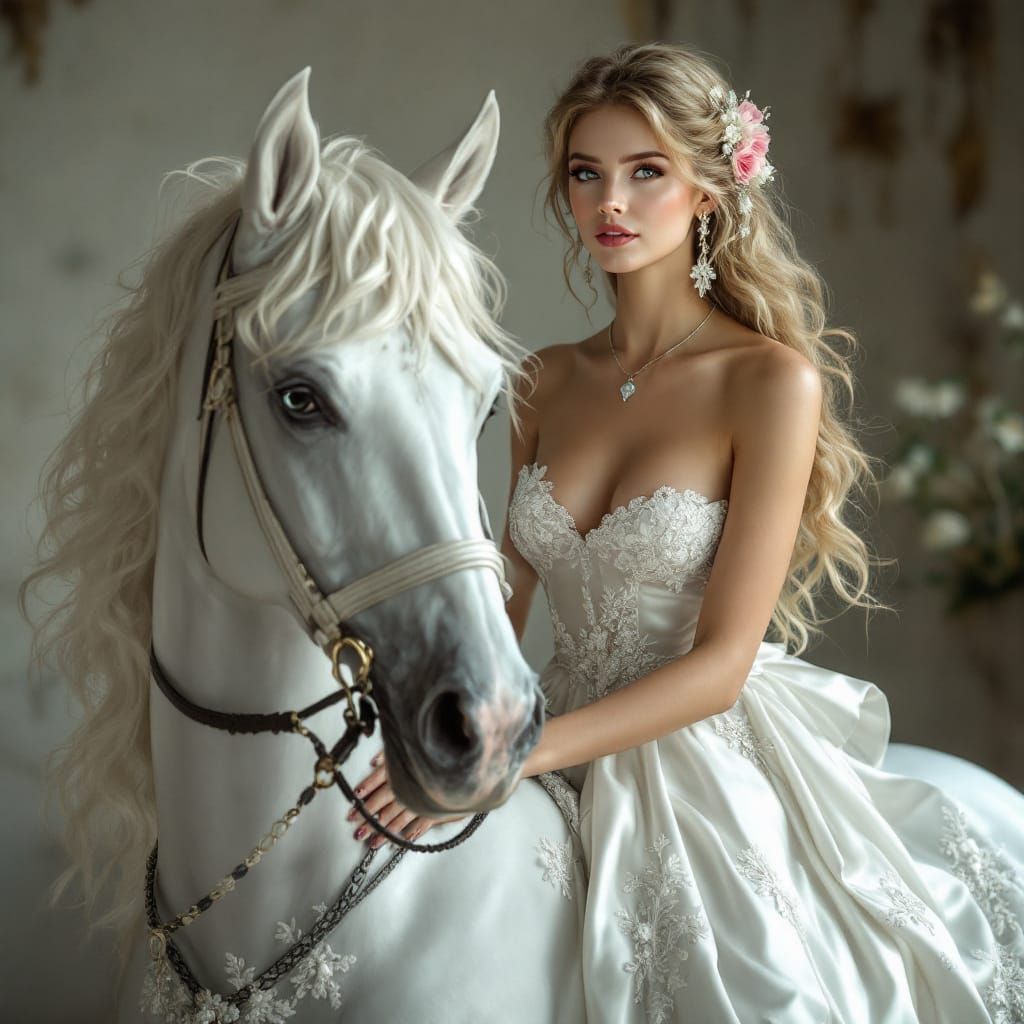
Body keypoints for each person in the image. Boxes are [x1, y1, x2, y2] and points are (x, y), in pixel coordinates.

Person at [353, 43, 1024, 1022]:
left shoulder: (768, 381)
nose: (609, 203)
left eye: (645, 171)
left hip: (694, 754)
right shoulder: (538, 378)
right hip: (540, 732)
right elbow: (497, 602)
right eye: (586, 174)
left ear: (710, 189)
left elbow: (721, 665)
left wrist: (514, 753)